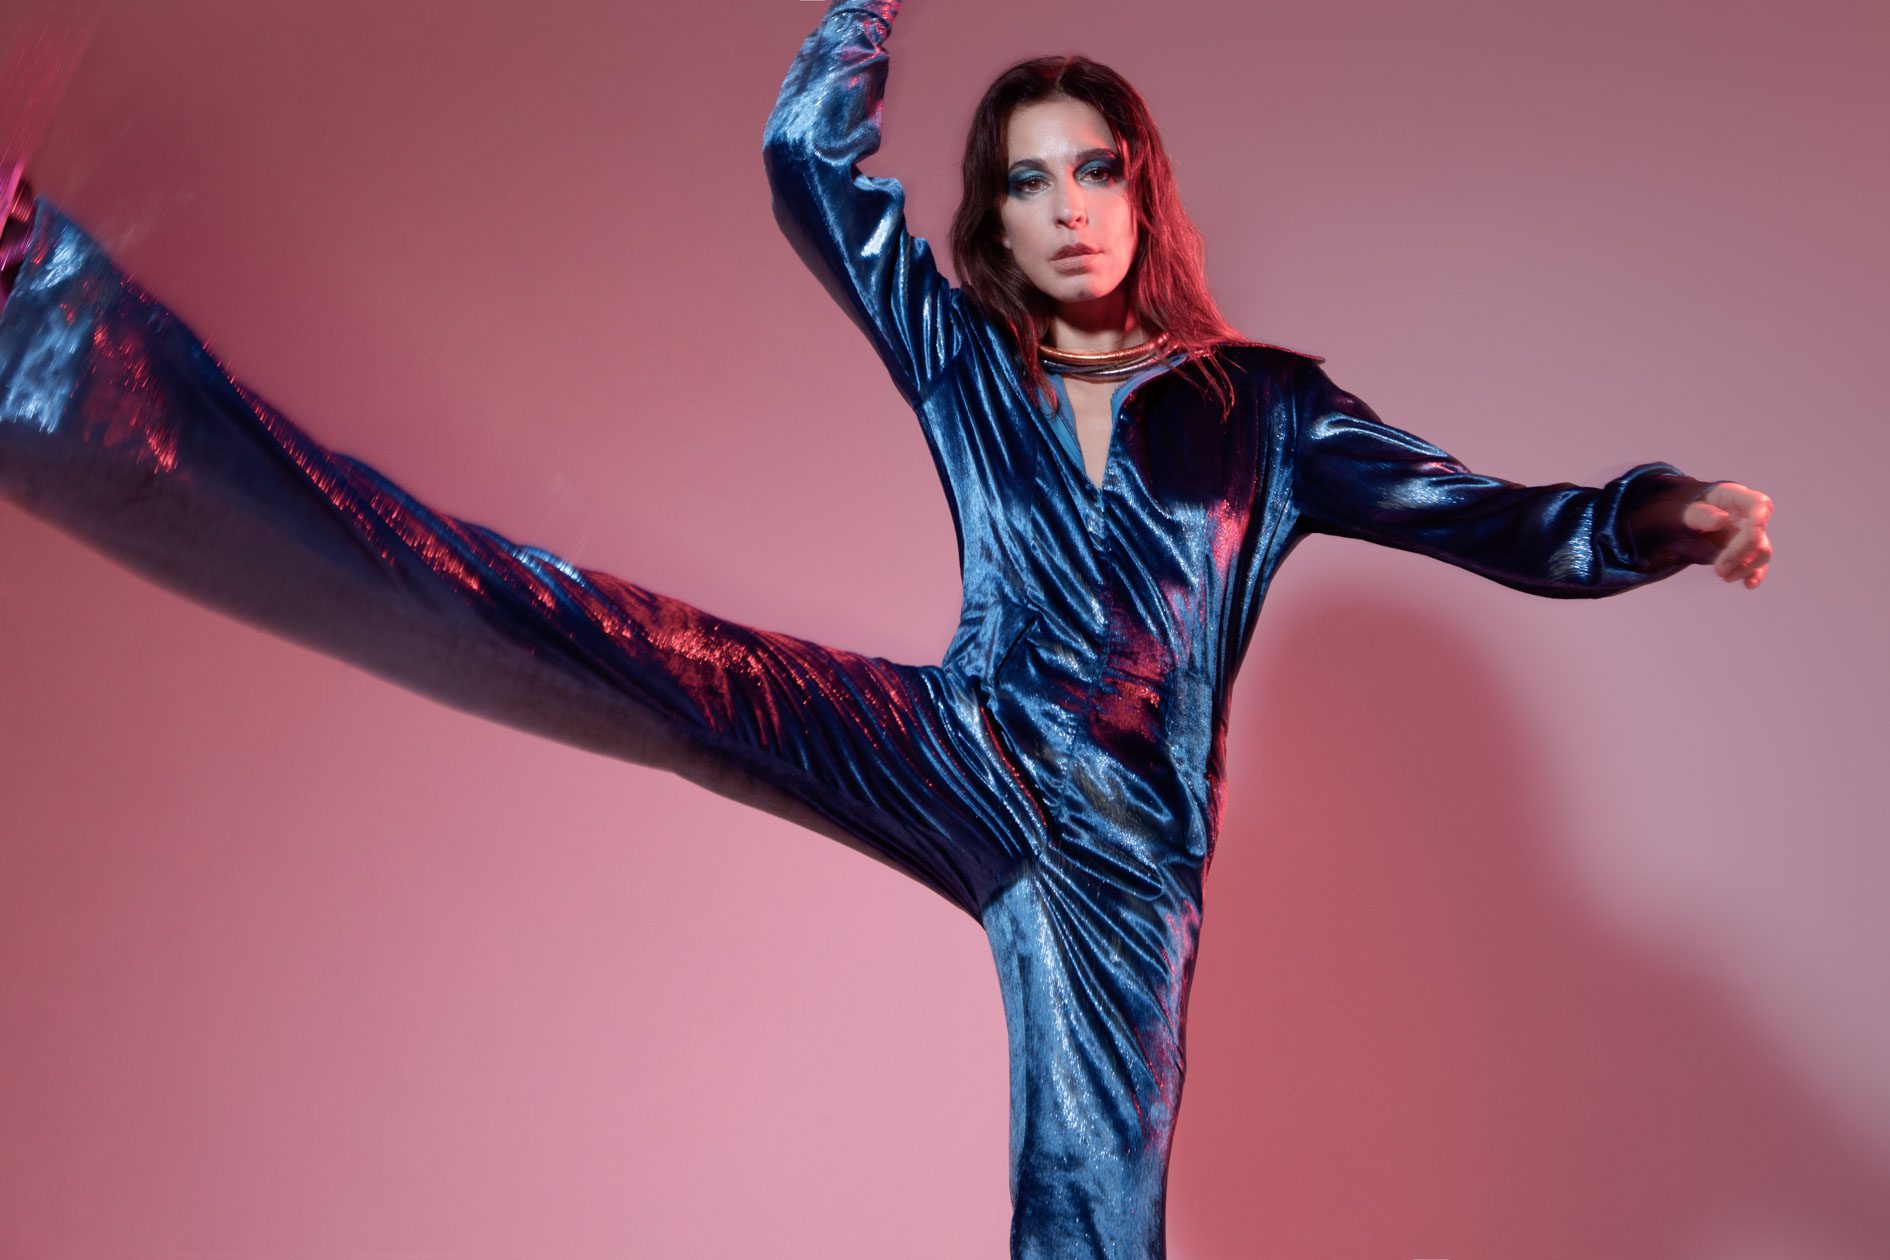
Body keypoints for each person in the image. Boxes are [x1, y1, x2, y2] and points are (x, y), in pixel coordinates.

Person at [0, 0, 1773, 1255]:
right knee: (551, 609)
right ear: (991, 214)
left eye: (1094, 174)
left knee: (1092, 1226)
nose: (1066, 212)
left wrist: (1669, 515)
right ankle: (50, 329)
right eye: (1028, 182)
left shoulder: (1268, 411)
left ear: (1141, 191)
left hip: (1117, 861)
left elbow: (1505, 522)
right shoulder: (966, 356)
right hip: (955, 740)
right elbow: (802, 156)